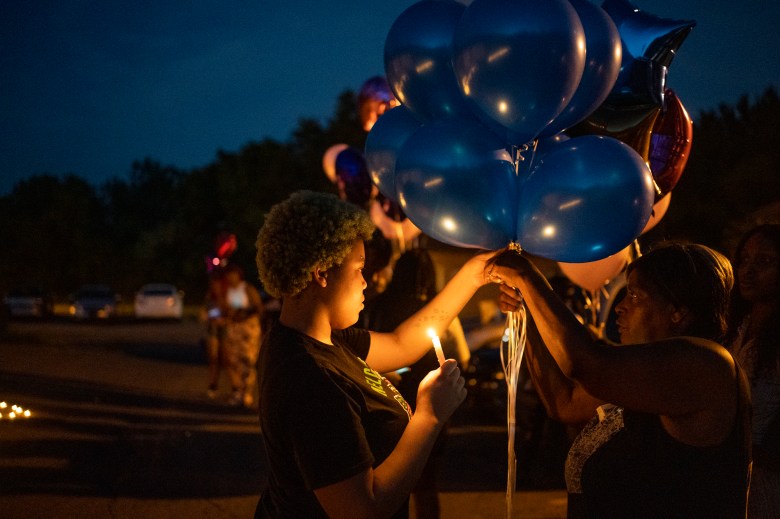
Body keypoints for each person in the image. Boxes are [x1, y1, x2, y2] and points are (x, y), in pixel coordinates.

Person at [253, 190, 495, 518]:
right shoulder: (308, 378)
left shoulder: (323, 340)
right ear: (322, 273)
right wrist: (429, 416)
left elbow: (400, 344)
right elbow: (362, 509)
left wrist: (473, 276)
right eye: (359, 268)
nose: (366, 282)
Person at [490, 242, 752, 518]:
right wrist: (528, 314)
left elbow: (587, 363)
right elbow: (564, 402)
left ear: (679, 312)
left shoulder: (705, 364)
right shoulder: (644, 372)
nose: (620, 307)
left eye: (635, 296)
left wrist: (527, 277)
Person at [363, 247, 470, 518]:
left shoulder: (378, 305)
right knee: (424, 485)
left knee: (387, 481)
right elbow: (464, 356)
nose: (365, 281)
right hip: (433, 399)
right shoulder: (441, 312)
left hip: (384, 403)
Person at [726, 223, 780, 517]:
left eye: (764, 262)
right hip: (725, 470)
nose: (748, 270)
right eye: (744, 260)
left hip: (765, 476)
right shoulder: (735, 328)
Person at [222, 263, 264, 408]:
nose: (230, 278)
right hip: (234, 329)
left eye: (233, 275)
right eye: (228, 275)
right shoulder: (228, 291)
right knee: (234, 362)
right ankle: (238, 391)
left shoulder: (247, 289)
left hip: (247, 330)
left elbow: (259, 308)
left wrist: (244, 313)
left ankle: (247, 393)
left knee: (247, 361)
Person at [201, 270, 228, 399]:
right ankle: (212, 384)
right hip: (212, 330)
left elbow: (235, 313)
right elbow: (203, 314)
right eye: (213, 285)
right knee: (213, 358)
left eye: (217, 284)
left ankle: (236, 387)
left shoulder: (228, 297)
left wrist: (225, 320)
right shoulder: (209, 297)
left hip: (225, 330)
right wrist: (206, 316)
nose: (215, 287)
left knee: (226, 359)